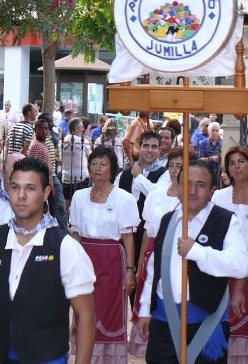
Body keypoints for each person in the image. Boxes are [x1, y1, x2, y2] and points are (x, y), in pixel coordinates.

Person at [0, 157, 96, 364]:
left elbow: (85, 317)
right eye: (15, 187)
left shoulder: (66, 248)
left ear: (46, 193)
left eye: (30, 188)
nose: (21, 196)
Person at [138, 161, 248, 364]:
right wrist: (145, 309)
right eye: (187, 183)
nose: (192, 190)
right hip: (165, 320)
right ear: (178, 186)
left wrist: (198, 252)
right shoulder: (167, 220)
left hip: (206, 322)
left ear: (212, 190)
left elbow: (240, 265)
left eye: (201, 184)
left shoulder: (225, 221)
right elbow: (155, 270)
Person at [69, 146, 140, 363]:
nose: (97, 168)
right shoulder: (79, 197)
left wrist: (130, 271)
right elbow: (75, 235)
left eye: (103, 164)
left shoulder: (124, 198)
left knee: (109, 313)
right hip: (84, 260)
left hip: (112, 261)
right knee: (84, 309)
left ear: (112, 170)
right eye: (94, 163)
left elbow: (128, 238)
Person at [129, 147, 195, 358]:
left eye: (180, 166)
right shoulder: (156, 194)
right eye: (172, 166)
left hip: (178, 252)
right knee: (149, 298)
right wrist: (139, 266)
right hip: (153, 251)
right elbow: (147, 233)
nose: (175, 170)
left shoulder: (193, 197)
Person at [211, 146, 248, 364]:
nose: (237, 167)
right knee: (225, 331)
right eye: (232, 163)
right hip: (224, 275)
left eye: (242, 162)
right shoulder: (219, 196)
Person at [116, 130, 168, 309]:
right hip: (126, 235)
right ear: (140, 147)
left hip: (147, 236)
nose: (149, 150)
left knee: (146, 280)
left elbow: (156, 196)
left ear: (160, 150)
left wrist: (139, 176)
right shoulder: (124, 174)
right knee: (126, 281)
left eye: (154, 146)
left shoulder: (164, 175)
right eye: (146, 145)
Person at [59, 117, 92, 211]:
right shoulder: (83, 142)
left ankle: (68, 223)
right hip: (81, 177)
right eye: (81, 127)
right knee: (80, 204)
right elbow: (91, 158)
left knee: (68, 202)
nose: (83, 129)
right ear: (76, 129)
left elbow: (61, 158)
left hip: (66, 176)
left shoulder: (62, 142)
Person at [27, 119, 54, 189]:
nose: (44, 131)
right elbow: (35, 169)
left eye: (46, 129)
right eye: (40, 129)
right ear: (35, 130)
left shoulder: (42, 143)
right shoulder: (36, 145)